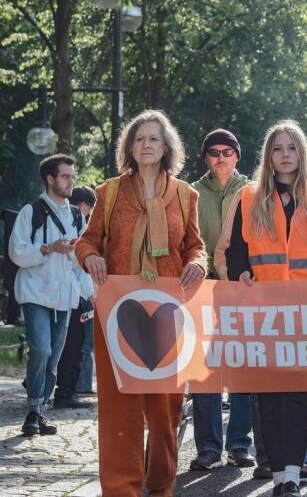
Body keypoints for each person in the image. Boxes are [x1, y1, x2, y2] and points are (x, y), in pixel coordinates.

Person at [77, 110, 206, 497]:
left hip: (168, 313)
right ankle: (121, 489)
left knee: (165, 408)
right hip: (116, 313)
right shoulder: (109, 192)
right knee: (120, 407)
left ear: (166, 147)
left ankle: (161, 484)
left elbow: (195, 247)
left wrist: (199, 265)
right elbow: (88, 241)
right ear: (129, 148)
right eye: (139, 139)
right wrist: (90, 257)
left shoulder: (186, 195)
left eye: (153, 139)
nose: (146, 145)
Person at [224, 120, 307, 496]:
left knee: (299, 395)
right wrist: (240, 272)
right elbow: (235, 251)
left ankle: (291, 474)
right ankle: (279, 473)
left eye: (291, 148)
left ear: (301, 153)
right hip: (265, 314)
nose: (285, 155)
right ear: (269, 156)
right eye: (278, 149)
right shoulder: (248, 197)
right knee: (268, 396)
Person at [9, 154, 94, 434]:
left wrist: (91, 295)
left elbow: (82, 262)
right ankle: (34, 408)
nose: (72, 181)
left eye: (73, 176)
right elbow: (17, 252)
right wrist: (48, 248)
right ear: (50, 179)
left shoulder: (74, 216)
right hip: (35, 294)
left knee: (54, 358)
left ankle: (41, 410)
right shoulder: (30, 211)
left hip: (65, 298)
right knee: (41, 350)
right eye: (65, 176)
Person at [188, 128, 256, 471]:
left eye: (227, 151)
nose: (220, 157)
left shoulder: (252, 191)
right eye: (213, 152)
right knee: (204, 371)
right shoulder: (192, 193)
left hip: (241, 288)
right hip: (201, 290)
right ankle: (209, 448)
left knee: (242, 368)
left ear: (237, 156)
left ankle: (240, 444)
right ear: (204, 157)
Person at [52, 185, 98, 409]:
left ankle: (44, 386)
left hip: (58, 292)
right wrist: (90, 294)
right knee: (74, 345)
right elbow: (80, 266)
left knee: (55, 344)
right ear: (83, 206)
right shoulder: (78, 222)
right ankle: (65, 393)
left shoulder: (58, 220)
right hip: (75, 294)